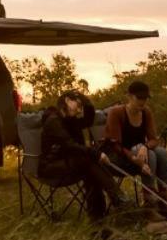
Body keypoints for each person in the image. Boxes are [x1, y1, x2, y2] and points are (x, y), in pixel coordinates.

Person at [38, 90, 122, 220]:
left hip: (69, 162)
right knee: (88, 161)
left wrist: (83, 99)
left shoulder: (69, 119)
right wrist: (96, 153)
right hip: (50, 167)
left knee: (89, 165)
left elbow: (88, 119)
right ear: (67, 100)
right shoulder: (53, 121)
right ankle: (117, 199)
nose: (79, 110)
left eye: (80, 107)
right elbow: (70, 145)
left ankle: (98, 213)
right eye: (78, 105)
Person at [102, 79, 167, 204]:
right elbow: (116, 145)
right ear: (129, 96)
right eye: (139, 98)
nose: (143, 101)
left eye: (145, 98)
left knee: (161, 152)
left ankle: (164, 195)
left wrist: (145, 146)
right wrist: (135, 159)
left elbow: (153, 140)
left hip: (140, 151)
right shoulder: (116, 113)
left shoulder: (146, 112)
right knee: (150, 155)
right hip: (119, 156)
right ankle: (149, 197)